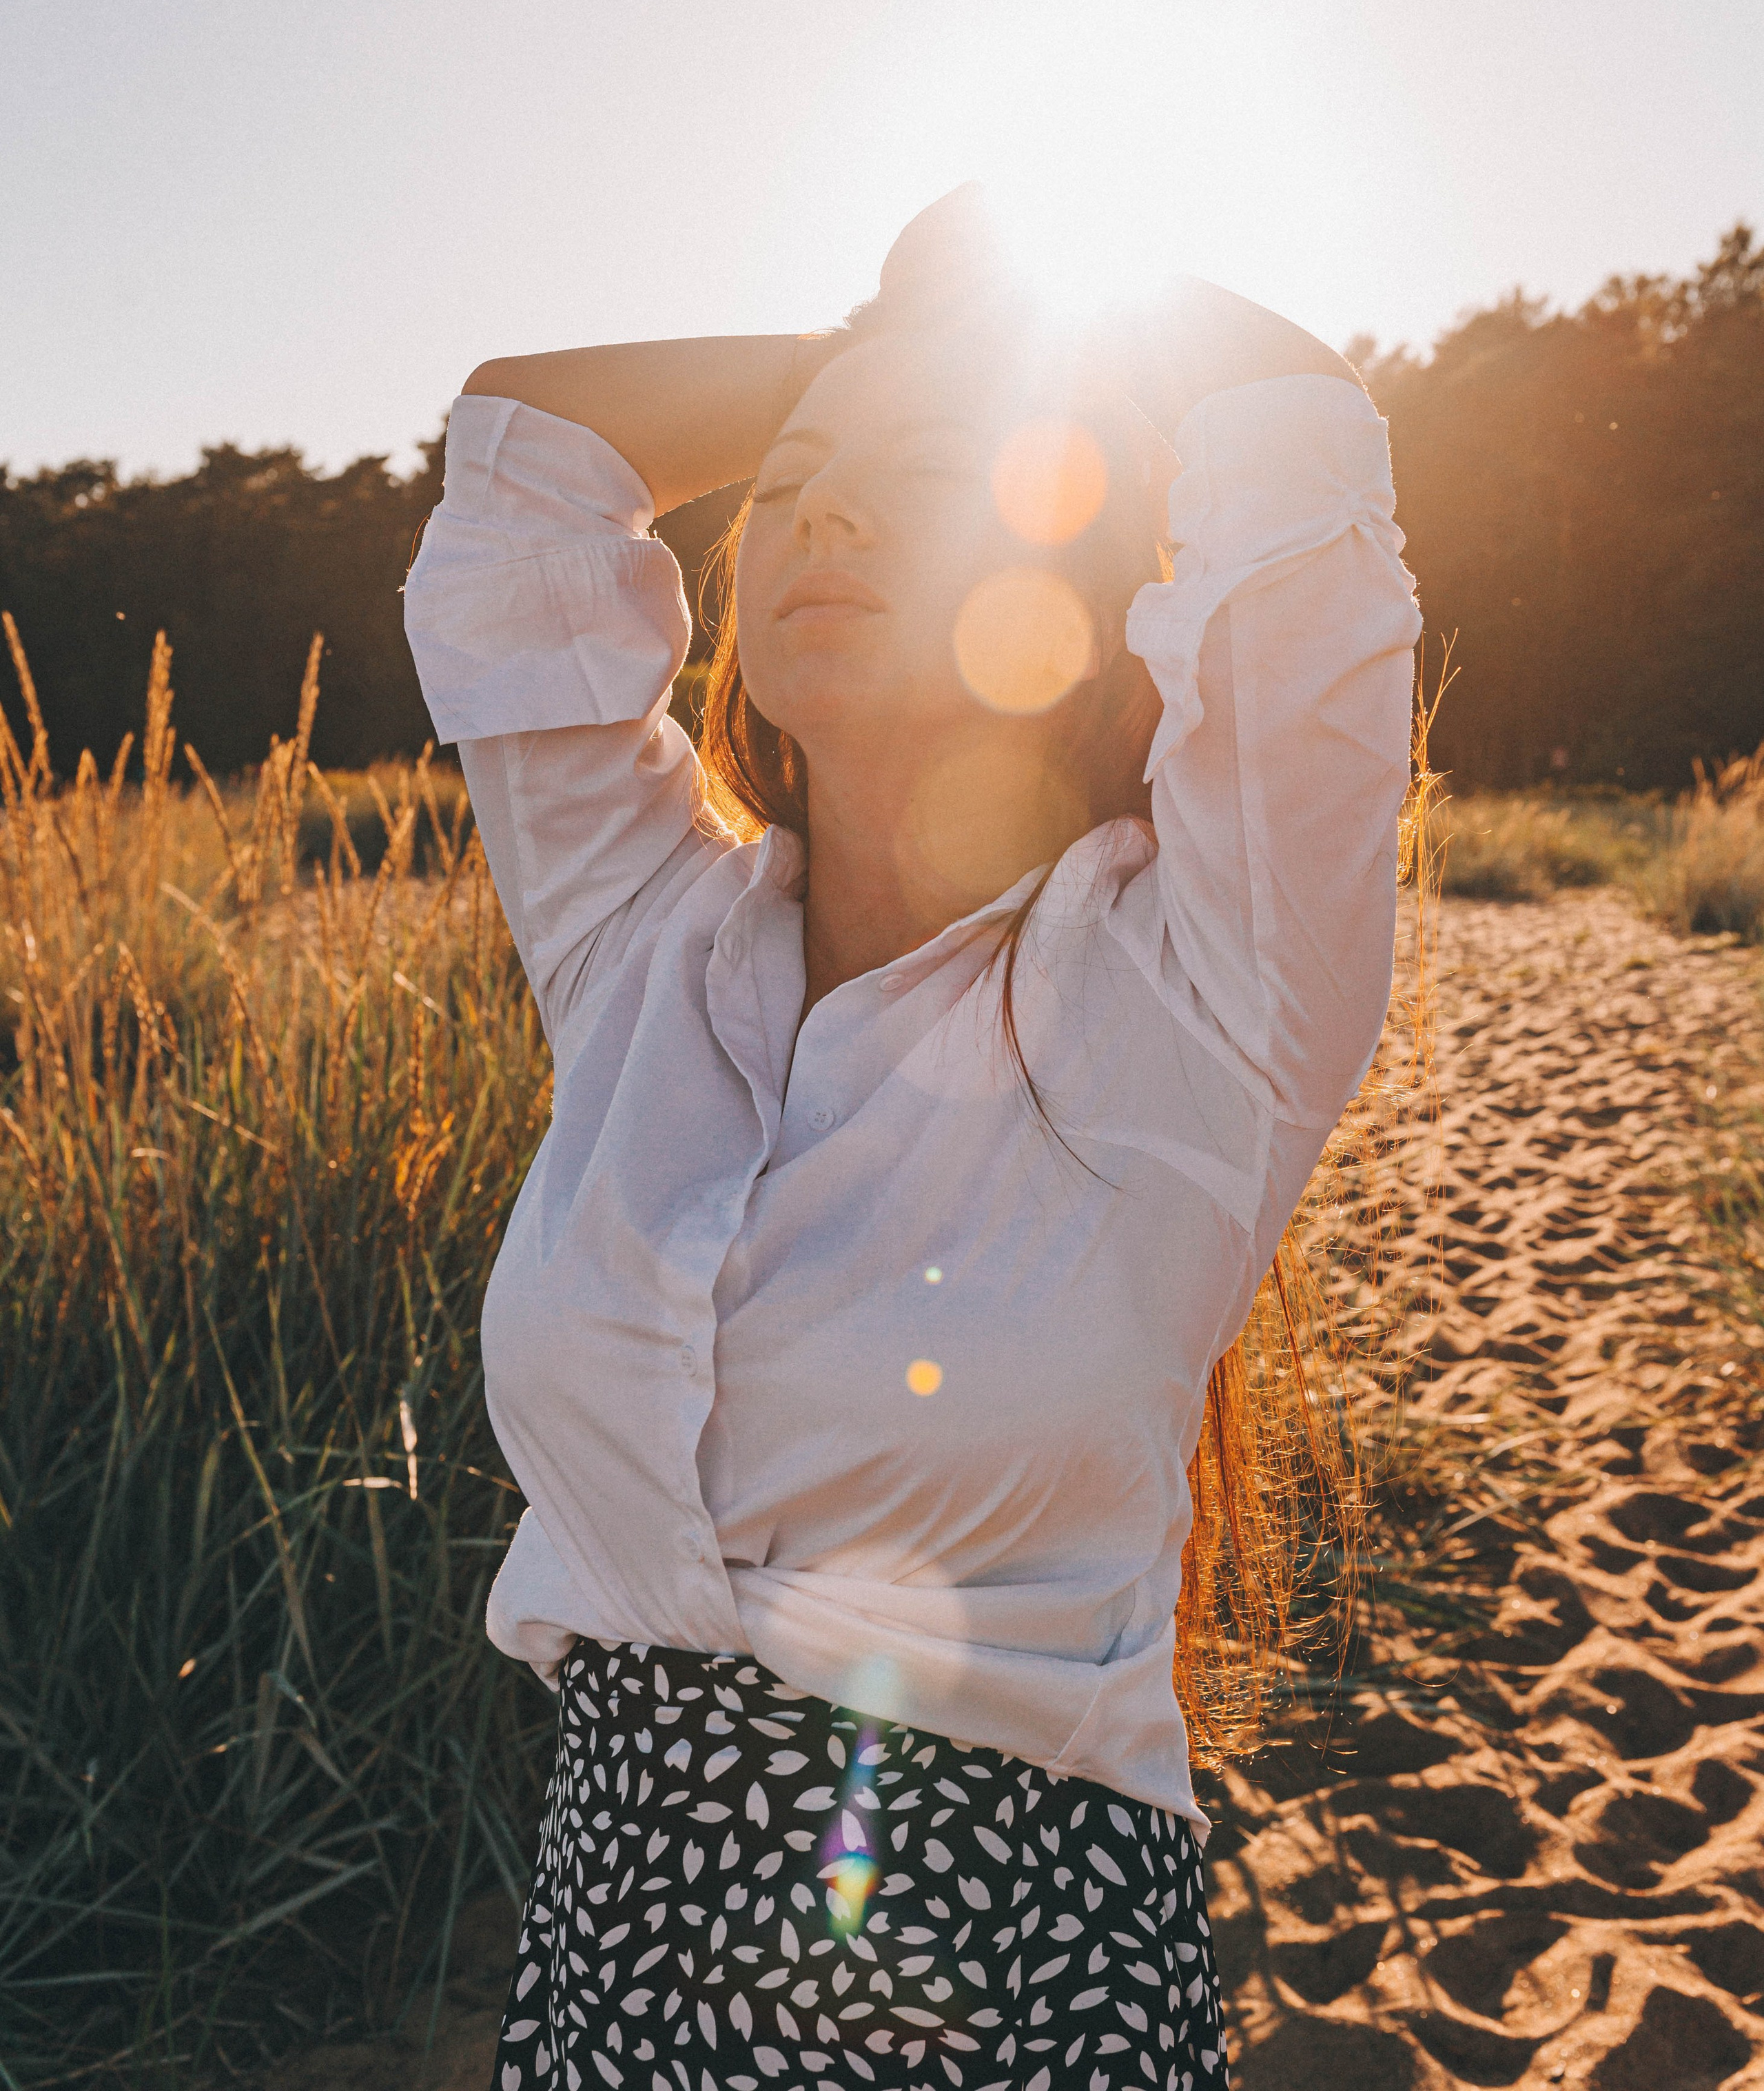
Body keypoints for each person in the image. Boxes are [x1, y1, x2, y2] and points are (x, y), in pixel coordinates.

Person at [403, 187, 1422, 2091]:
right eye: (793, 483)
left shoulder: (1212, 990)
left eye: (930, 479)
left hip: (1015, 1972)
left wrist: (991, 328)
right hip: (617, 1944)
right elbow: (533, 468)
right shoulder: (644, 946)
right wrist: (883, 369)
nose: (833, 514)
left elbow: (1294, 429)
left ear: (1098, 590)